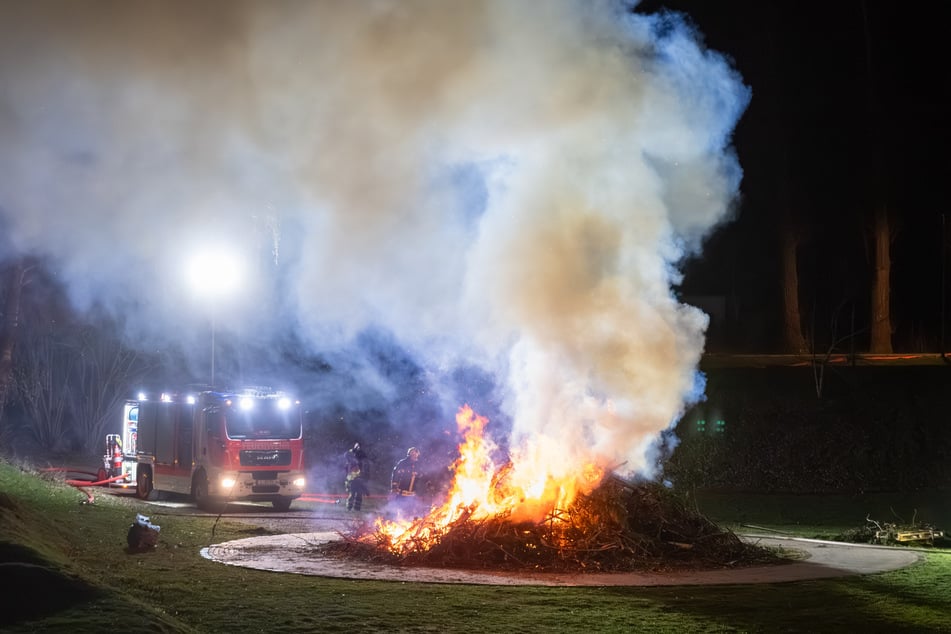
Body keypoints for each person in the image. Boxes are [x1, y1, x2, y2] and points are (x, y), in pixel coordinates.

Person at [344, 442, 369, 511]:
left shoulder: (362, 454)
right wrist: (353, 450)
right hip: (351, 477)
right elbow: (346, 455)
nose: (358, 447)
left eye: (359, 446)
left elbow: (365, 460)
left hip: (359, 476)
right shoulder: (350, 454)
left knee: (359, 493)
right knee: (352, 493)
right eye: (357, 445)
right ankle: (349, 507)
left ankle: (357, 508)